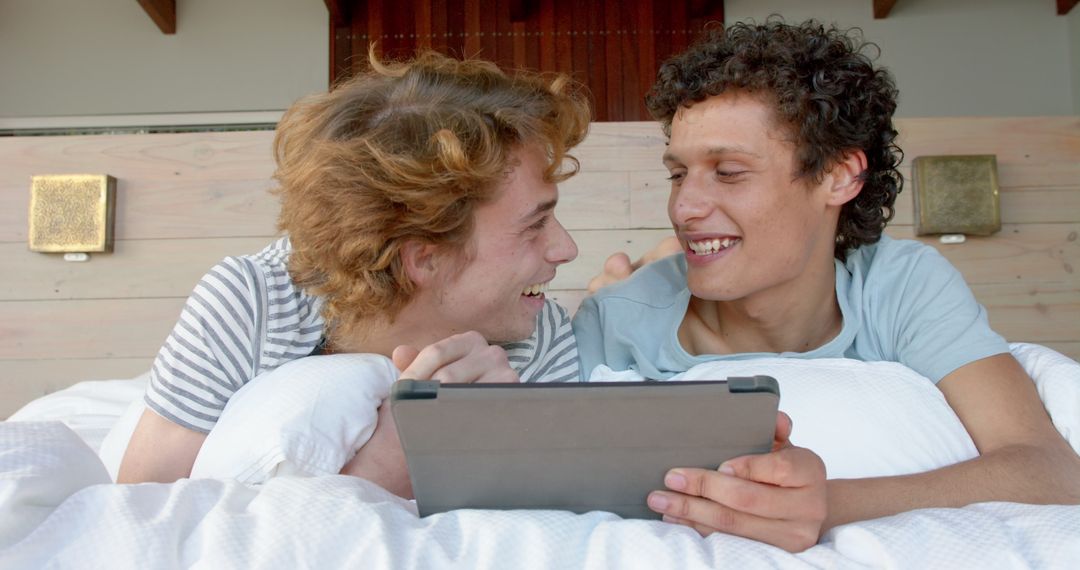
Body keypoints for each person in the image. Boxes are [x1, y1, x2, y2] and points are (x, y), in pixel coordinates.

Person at [573, 19, 1080, 552]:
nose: (684, 208)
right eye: (678, 174)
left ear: (839, 176)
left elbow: (1049, 469)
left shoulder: (902, 286)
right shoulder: (616, 318)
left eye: (729, 172)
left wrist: (827, 504)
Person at [118, 50, 591, 485]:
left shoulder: (534, 329)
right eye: (535, 224)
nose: (566, 249)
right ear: (424, 258)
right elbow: (138, 516)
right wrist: (387, 462)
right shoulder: (252, 304)